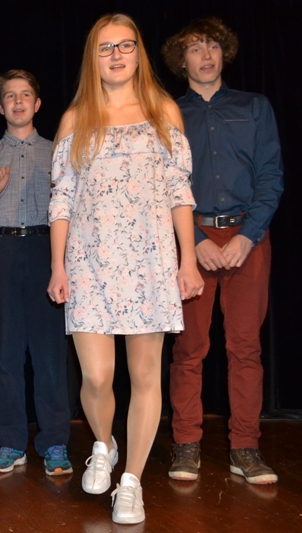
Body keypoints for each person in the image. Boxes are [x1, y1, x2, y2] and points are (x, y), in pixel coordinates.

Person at [47, 14, 204, 524]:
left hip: (149, 262)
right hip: (88, 262)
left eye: (126, 46)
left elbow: (179, 190)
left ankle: (131, 480)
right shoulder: (76, 118)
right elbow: (62, 199)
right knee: (96, 376)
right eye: (105, 47)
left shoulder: (163, 111)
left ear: (139, 53)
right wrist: (57, 266)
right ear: (92, 58)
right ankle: (104, 443)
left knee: (144, 375)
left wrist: (187, 259)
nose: (116, 56)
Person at [161, 17, 283, 484]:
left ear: (224, 52)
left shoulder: (254, 107)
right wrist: (192, 241)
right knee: (189, 349)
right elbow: (159, 185)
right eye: (195, 48)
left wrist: (248, 236)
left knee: (246, 348)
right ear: (181, 60)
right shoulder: (167, 113)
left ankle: (245, 448)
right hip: (191, 241)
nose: (206, 55)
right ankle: (186, 444)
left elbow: (271, 177)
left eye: (213, 45)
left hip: (248, 238)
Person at [0, 70, 73, 477]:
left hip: (46, 250)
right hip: (0, 250)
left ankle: (55, 441)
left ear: (37, 104)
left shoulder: (60, 153)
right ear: (0, 107)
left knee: (50, 354)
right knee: (6, 353)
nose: (17, 102)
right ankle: (11, 442)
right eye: (9, 96)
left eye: (25, 95)